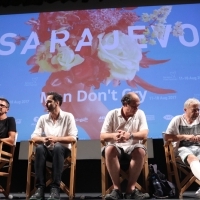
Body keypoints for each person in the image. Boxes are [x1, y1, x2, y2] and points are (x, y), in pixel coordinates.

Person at [100, 92, 150, 200]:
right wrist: (114, 136)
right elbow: (102, 136)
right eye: (133, 106)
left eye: (138, 106)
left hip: (133, 147)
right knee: (109, 149)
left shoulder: (140, 113)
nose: (136, 109)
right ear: (125, 104)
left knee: (140, 151)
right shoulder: (112, 114)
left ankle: (130, 190)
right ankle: (116, 190)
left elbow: (144, 133)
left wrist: (130, 135)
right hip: (116, 146)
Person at [30, 92, 78, 200]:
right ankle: (40, 189)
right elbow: (34, 137)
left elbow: (73, 138)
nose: (46, 103)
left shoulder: (68, 116)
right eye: (46, 101)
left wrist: (56, 139)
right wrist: (43, 139)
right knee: (40, 148)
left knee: (57, 147)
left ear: (57, 103)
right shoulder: (43, 118)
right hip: (48, 151)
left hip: (63, 151)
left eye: (49, 101)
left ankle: (55, 188)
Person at [164, 98, 200, 197]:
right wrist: (184, 136)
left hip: (199, 148)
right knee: (192, 158)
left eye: (198, 110)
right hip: (182, 149)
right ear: (185, 110)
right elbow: (167, 137)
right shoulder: (177, 119)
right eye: (194, 110)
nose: (197, 112)